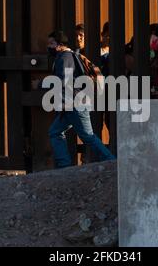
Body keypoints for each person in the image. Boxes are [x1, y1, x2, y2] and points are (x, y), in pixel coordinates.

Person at [47, 31, 116, 169]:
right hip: (72, 104)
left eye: (51, 43)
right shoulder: (70, 55)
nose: (48, 46)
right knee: (55, 132)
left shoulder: (64, 57)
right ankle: (64, 165)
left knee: (88, 136)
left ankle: (112, 161)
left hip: (74, 104)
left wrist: (41, 83)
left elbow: (62, 81)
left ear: (60, 45)